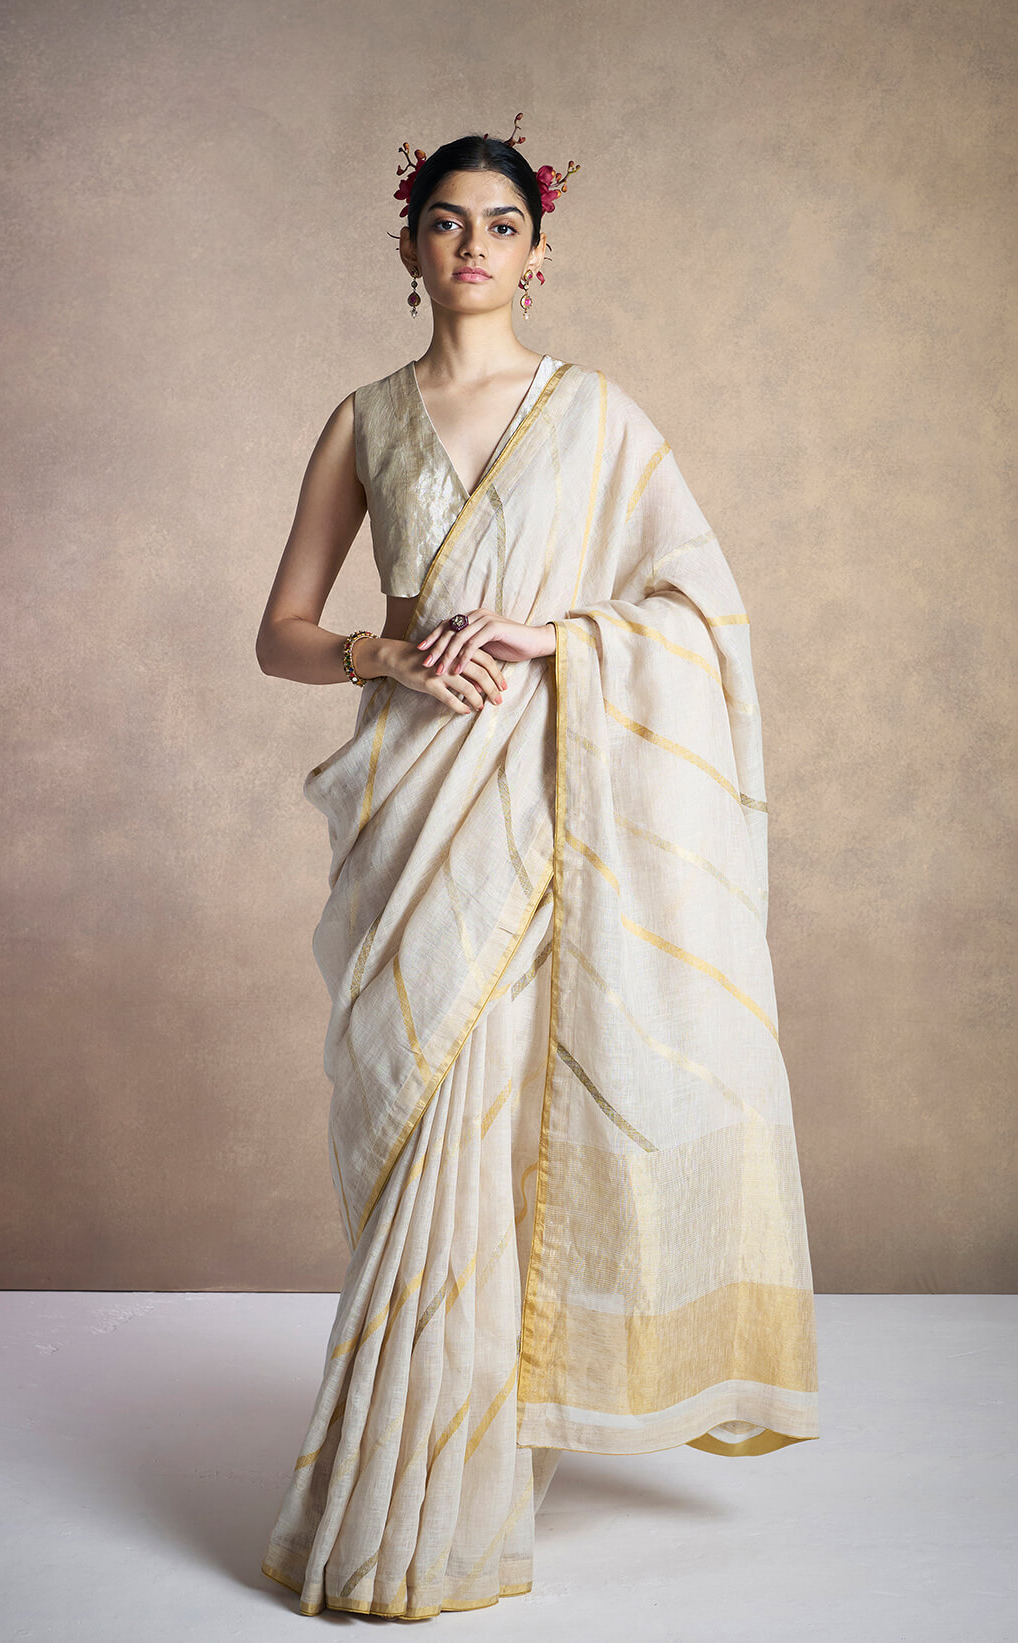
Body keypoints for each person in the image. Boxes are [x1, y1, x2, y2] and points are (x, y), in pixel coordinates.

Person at [254, 116, 820, 1622]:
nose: (473, 248)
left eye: (500, 226)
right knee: (417, 1117)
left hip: (549, 803)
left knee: (499, 1122)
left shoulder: (599, 417)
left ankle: (463, 1494)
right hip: (411, 801)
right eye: (447, 222)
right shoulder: (363, 421)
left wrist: (552, 635)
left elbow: (700, 615)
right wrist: (388, 656)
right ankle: (394, 1478)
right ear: (408, 246)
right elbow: (282, 632)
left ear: (537, 256)